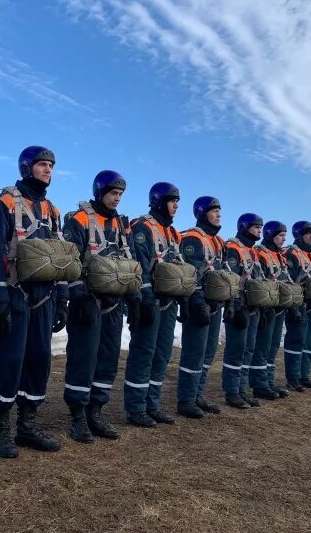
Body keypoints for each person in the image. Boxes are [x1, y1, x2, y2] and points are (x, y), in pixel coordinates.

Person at [0, 146, 70, 458]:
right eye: (42, 165)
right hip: (15, 295)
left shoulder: (53, 211)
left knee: (39, 360)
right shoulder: (3, 203)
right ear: (26, 167)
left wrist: (62, 298)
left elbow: (60, 257)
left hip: (44, 297)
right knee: (9, 360)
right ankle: (0, 429)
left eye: (51, 165)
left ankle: (28, 424)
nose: (48, 170)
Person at [62, 170, 138, 442]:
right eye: (112, 193)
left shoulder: (122, 225)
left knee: (107, 359)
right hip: (88, 302)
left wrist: (135, 295)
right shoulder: (79, 220)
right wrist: (77, 295)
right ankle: (77, 416)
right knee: (83, 359)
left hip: (114, 303)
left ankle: (96, 411)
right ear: (99, 192)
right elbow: (68, 261)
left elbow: (131, 258)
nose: (116, 199)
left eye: (120, 194)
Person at [123, 182, 184, 427]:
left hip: (169, 303)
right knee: (143, 354)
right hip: (150, 302)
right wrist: (144, 299)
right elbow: (139, 263)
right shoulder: (142, 228)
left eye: (177, 201)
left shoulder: (173, 233)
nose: (176, 205)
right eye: (172, 201)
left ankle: (153, 404)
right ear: (159, 201)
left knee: (161, 355)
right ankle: (136, 408)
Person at [175, 196, 227, 418]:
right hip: (198, 304)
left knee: (208, 353)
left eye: (219, 211)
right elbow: (191, 271)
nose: (218, 214)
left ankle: (197, 393)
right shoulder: (192, 238)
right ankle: (186, 399)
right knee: (194, 353)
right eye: (214, 211)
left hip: (214, 303)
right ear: (202, 213)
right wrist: (196, 301)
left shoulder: (218, 241)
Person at [223, 214, 265, 408]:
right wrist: (235, 305)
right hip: (239, 308)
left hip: (253, 307)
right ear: (245, 227)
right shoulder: (233, 248)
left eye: (261, 228)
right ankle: (232, 391)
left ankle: (242, 389)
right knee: (236, 350)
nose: (259, 231)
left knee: (248, 350)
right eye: (256, 227)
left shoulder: (252, 251)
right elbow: (231, 278)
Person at [253, 221, 291, 399]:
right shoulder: (260, 253)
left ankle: (269, 381)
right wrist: (263, 307)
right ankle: (259, 384)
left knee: (274, 345)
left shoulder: (280, 256)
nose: (284, 239)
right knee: (263, 346)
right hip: (266, 307)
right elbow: (259, 280)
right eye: (281, 235)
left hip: (278, 307)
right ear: (270, 235)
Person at [283, 221, 311, 391]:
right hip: (298, 303)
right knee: (296, 340)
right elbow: (289, 280)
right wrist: (292, 306)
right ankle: (293, 378)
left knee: (310, 340)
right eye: (308, 233)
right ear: (299, 235)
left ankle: (304, 375)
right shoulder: (291, 253)